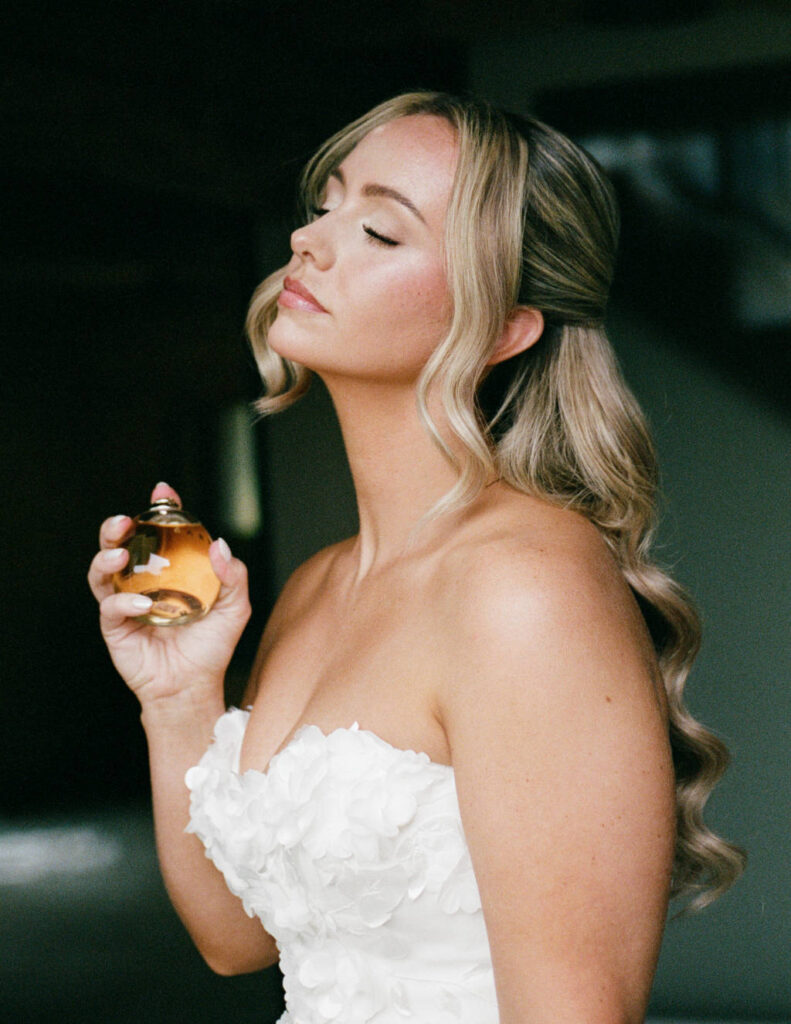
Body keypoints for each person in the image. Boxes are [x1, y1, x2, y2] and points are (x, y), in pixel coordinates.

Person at [89, 92, 744, 1023]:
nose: (310, 243)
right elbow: (239, 943)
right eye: (325, 205)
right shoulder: (319, 582)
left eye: (381, 233)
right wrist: (179, 701)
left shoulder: (523, 586)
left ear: (507, 326)